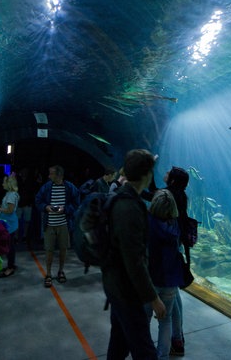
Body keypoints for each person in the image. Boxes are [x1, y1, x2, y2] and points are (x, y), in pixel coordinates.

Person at [102, 149, 166, 360]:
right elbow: (134, 261)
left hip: (115, 285)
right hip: (126, 290)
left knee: (119, 344)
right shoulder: (129, 207)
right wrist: (153, 298)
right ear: (146, 175)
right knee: (145, 351)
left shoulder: (121, 196)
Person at [146, 189, 184, 360]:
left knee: (144, 319)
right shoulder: (174, 224)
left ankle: (145, 354)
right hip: (170, 281)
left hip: (151, 281)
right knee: (165, 320)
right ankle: (162, 357)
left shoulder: (150, 223)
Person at [35, 165, 80, 288]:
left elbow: (77, 203)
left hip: (64, 225)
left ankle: (61, 271)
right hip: (49, 225)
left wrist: (65, 209)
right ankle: (48, 274)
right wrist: (46, 207)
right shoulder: (46, 187)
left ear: (59, 175)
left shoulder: (70, 187)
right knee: (49, 250)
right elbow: (38, 200)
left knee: (63, 249)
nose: (49, 176)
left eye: (51, 174)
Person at [163, 167, 191, 357]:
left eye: (168, 173)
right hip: (177, 245)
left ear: (173, 180)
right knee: (175, 295)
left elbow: (151, 193)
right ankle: (178, 336)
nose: (165, 174)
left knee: (170, 296)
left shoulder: (169, 195)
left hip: (169, 249)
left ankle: (177, 340)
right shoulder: (181, 194)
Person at [0, 173, 20, 277]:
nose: (2, 184)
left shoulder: (11, 195)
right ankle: (11, 265)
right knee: (10, 246)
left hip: (10, 225)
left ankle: (10, 267)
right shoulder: (10, 194)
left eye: (4, 182)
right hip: (10, 224)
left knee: (9, 247)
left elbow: (10, 210)